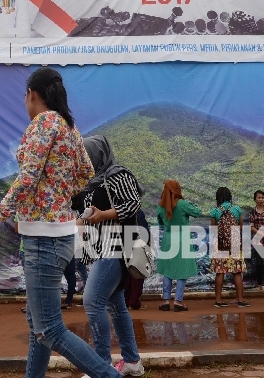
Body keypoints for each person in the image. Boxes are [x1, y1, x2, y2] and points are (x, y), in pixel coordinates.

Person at [0, 67, 121, 378]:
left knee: (48, 328)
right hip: (57, 235)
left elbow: (28, 177)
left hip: (43, 238)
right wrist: (59, 194)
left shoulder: (43, 122)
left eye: (25, 96)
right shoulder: (69, 127)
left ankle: (110, 375)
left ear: (32, 95)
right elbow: (86, 173)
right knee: (38, 326)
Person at [78, 134, 145, 377]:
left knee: (92, 301)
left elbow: (132, 203)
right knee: (116, 306)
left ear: (99, 154)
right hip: (96, 250)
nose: (84, 159)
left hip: (116, 248)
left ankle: (101, 365)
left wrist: (103, 215)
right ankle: (132, 362)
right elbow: (88, 213)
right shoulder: (90, 181)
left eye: (87, 155)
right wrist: (82, 221)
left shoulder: (118, 175)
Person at [156, 180, 203, 312]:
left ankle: (165, 300)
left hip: (168, 239)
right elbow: (198, 212)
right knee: (182, 270)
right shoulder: (182, 204)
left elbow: (160, 223)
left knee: (167, 270)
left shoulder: (161, 206)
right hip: (182, 238)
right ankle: (178, 301)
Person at [210, 186, 249, 308]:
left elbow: (213, 230)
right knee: (237, 272)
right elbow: (241, 226)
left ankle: (218, 300)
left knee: (220, 272)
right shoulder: (236, 209)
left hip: (221, 244)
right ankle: (240, 300)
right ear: (229, 197)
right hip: (235, 242)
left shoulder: (215, 211)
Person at [124, 209, 150, 310]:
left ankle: (126, 300)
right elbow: (144, 232)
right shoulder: (138, 213)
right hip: (138, 246)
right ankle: (133, 301)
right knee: (138, 274)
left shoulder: (119, 211)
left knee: (127, 274)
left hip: (125, 245)